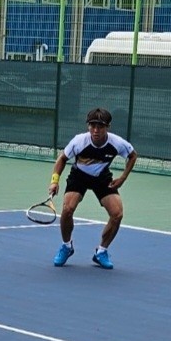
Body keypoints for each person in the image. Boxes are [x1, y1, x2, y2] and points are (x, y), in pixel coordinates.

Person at [48, 107, 138, 269]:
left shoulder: (116, 143)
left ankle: (101, 251)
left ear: (108, 127)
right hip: (79, 176)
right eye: (92, 126)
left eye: (100, 126)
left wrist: (123, 178)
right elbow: (62, 159)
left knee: (117, 214)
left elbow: (132, 156)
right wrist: (55, 181)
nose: (96, 130)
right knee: (67, 209)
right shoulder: (79, 141)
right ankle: (66, 246)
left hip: (102, 177)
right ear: (88, 126)